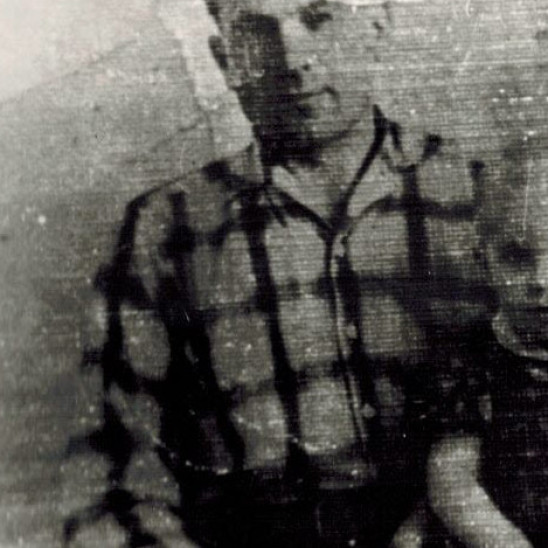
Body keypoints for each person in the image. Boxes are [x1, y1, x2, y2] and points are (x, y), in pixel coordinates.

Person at [64, 1, 484, 546]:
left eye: (319, 17)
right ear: (224, 60)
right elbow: (110, 481)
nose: (291, 58)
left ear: (378, 23)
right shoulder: (164, 231)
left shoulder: (480, 197)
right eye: (257, 31)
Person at [427, 123, 548, 547]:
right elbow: (452, 484)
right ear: (483, 263)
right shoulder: (473, 358)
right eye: (516, 257)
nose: (541, 280)